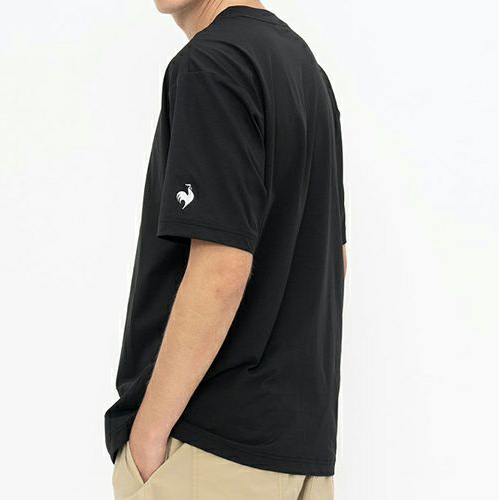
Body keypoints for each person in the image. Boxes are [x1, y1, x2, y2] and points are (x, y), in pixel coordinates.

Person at [105, 1, 347, 498]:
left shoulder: (211, 63)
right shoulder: (308, 73)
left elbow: (221, 268)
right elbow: (334, 262)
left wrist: (149, 435)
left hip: (210, 450)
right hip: (300, 454)